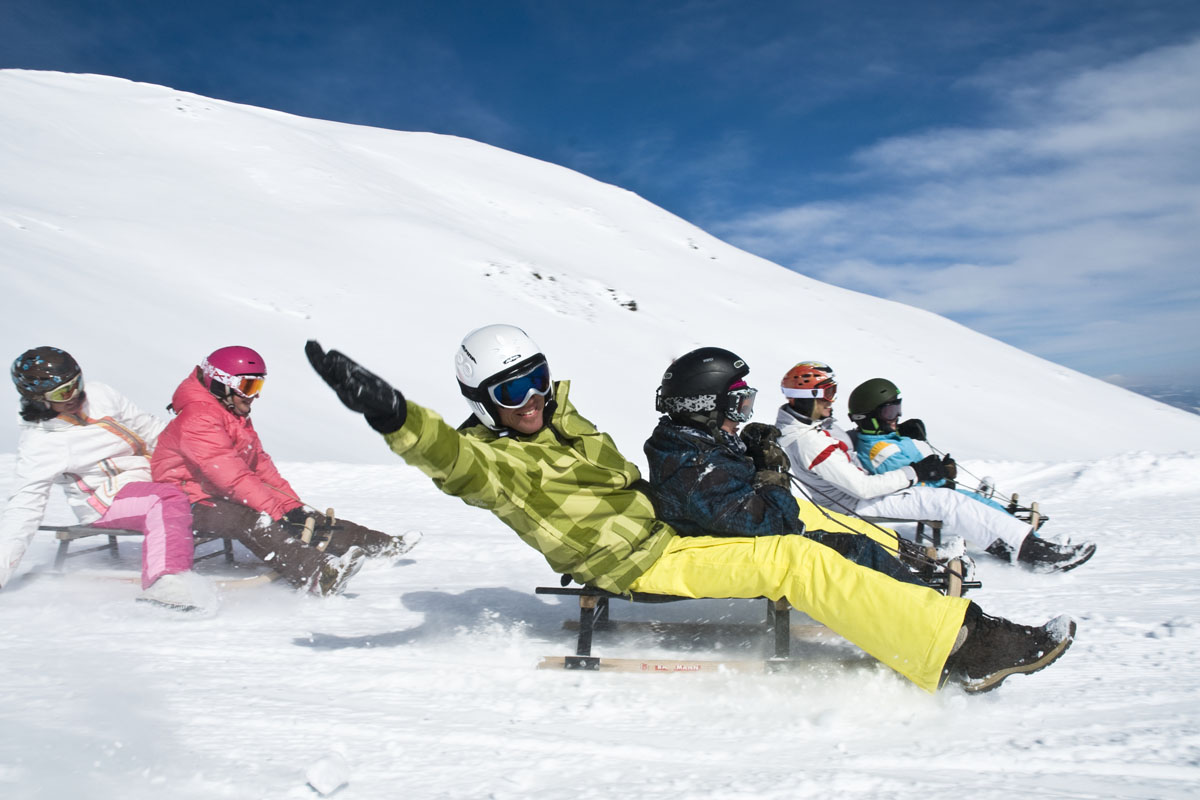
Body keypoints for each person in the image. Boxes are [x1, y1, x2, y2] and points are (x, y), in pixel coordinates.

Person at [305, 325, 1077, 694]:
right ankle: (960, 651)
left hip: (661, 535)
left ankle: (926, 607)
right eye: (512, 390)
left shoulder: (566, 420)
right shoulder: (492, 462)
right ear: (483, 402)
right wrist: (394, 416)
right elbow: (449, 457)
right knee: (795, 558)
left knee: (808, 529)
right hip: (635, 561)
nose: (533, 397)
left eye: (537, 376)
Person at [642, 346, 929, 587]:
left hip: (739, 540)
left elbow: (732, 497)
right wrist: (772, 475)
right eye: (737, 406)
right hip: (733, 553)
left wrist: (751, 455)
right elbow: (773, 523)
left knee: (818, 517)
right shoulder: (694, 464)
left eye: (746, 404)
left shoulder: (694, 447)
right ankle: (930, 616)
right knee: (850, 548)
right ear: (703, 407)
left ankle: (904, 555)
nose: (742, 417)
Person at [774, 363, 1096, 572]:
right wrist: (916, 473)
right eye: (827, 394)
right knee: (946, 501)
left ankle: (1004, 544)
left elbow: (845, 443)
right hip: (853, 503)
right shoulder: (808, 441)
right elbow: (861, 487)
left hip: (859, 493)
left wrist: (893, 431)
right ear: (806, 398)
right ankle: (1036, 553)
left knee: (949, 500)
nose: (832, 400)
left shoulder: (815, 426)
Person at [150, 346, 409, 597]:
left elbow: (259, 466)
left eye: (258, 386)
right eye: (248, 387)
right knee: (252, 520)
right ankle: (318, 575)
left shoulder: (231, 415)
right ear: (221, 384)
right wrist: (274, 512)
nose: (254, 396)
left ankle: (378, 544)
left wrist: (290, 505)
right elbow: (231, 477)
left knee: (300, 515)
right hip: (184, 503)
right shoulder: (199, 419)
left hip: (213, 494)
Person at [0, 347, 201, 608]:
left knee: (218, 479)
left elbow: (150, 429)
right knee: (163, 501)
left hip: (150, 478)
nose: (75, 395)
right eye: (62, 392)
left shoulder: (101, 395)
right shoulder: (41, 442)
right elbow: (24, 507)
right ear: (39, 399)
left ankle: (265, 551)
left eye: (77, 383)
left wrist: (198, 452)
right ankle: (166, 584)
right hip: (103, 501)